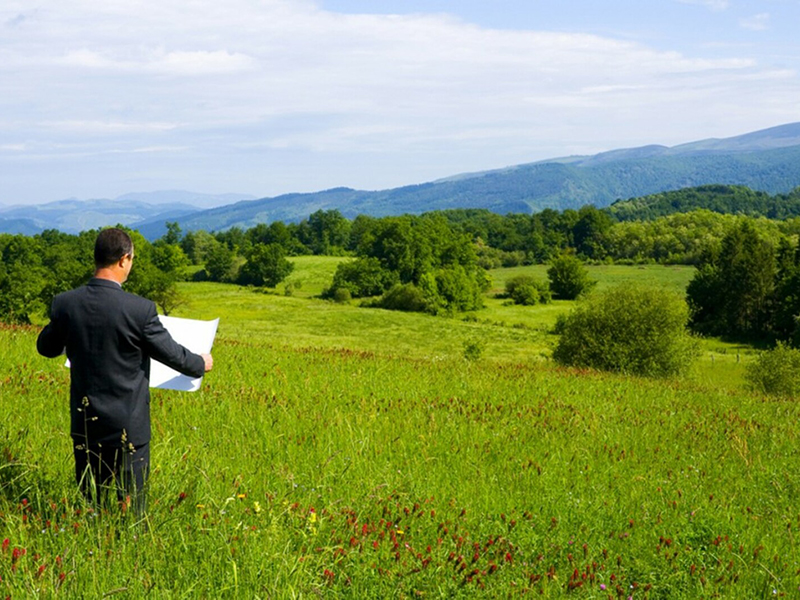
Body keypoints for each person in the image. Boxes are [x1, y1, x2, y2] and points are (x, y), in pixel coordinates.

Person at [36, 227, 213, 518]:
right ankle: (130, 552)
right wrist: (199, 363)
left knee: (90, 502)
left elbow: (46, 347)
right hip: (128, 425)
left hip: (85, 422)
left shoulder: (66, 304)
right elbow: (170, 353)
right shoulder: (139, 310)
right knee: (132, 509)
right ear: (123, 259)